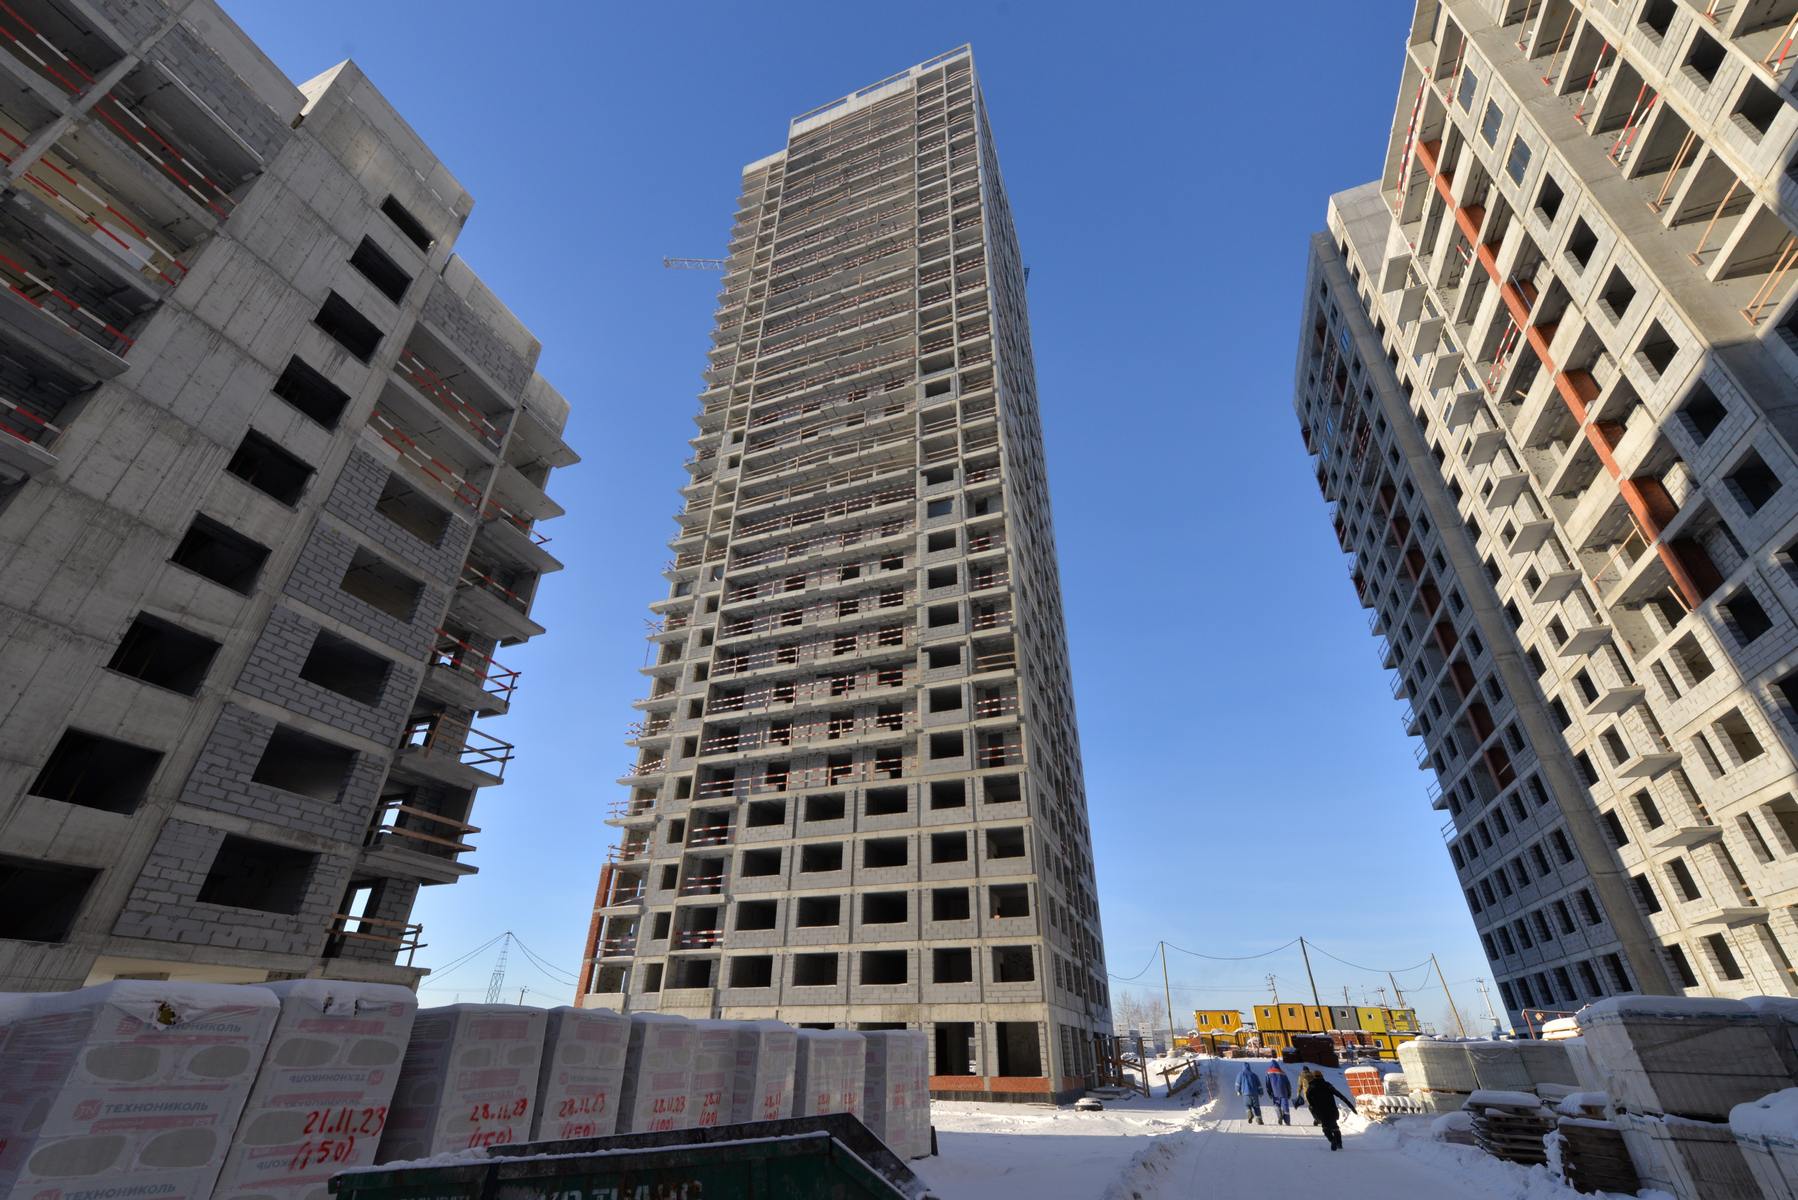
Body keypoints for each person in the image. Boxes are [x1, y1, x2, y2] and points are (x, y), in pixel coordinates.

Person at [1301, 1070, 1358, 1151]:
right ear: (1321, 1076)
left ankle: (1332, 1140)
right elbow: (1339, 1095)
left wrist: (1314, 1111)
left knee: (1325, 1128)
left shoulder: (1311, 1087)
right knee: (1335, 1126)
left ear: (1313, 1077)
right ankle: (1339, 1143)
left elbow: (1310, 1102)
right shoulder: (1327, 1085)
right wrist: (1351, 1106)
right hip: (1332, 1110)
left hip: (1321, 1112)